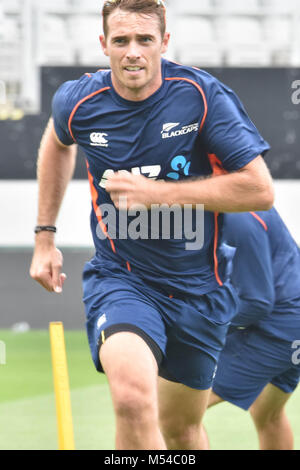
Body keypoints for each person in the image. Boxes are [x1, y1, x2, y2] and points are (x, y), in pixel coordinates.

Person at [30, 0, 274, 450]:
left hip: (200, 288)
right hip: (122, 279)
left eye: (145, 39)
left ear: (164, 41)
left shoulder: (201, 95)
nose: (133, 52)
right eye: (121, 40)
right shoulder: (79, 100)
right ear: (104, 45)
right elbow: (57, 140)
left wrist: (157, 194)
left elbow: (259, 190)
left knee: (181, 430)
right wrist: (45, 236)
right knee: (132, 399)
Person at [200, 208, 300, 450]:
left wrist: (203, 326)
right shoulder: (246, 198)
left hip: (279, 327)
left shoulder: (238, 215)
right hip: (291, 324)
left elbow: (257, 303)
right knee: (267, 413)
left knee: (176, 414)